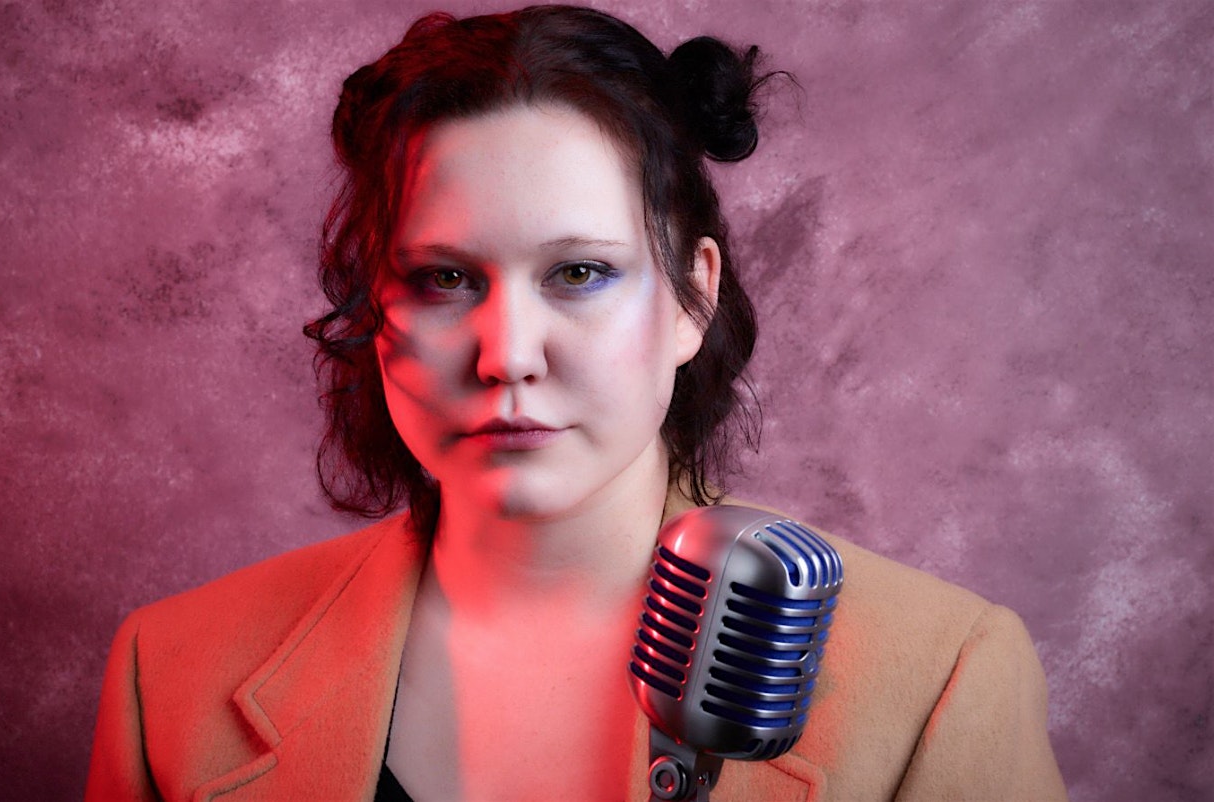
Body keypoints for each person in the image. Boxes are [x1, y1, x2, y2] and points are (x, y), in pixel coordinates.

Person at [85, 5, 1068, 801]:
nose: (507, 355)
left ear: (693, 297)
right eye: (443, 278)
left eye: (579, 272)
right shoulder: (171, 675)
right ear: (376, 310)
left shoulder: (939, 680)